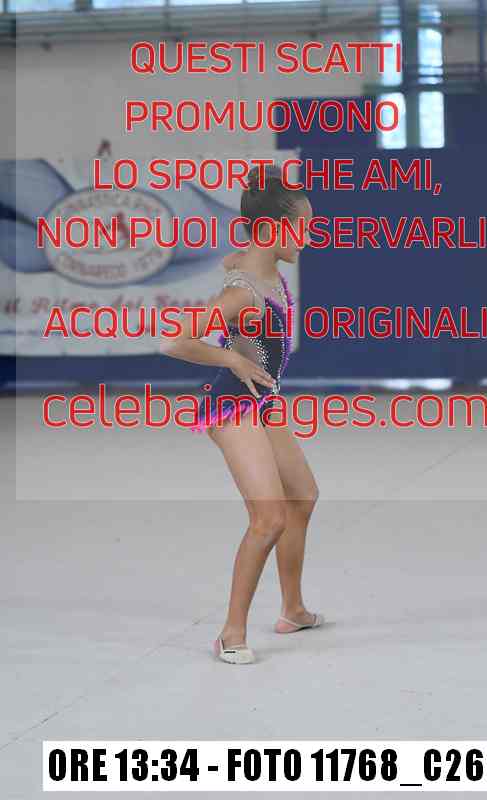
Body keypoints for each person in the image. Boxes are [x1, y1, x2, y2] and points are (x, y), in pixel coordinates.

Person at [160, 164, 323, 664]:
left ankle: (292, 609)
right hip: (232, 404)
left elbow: (235, 257)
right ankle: (231, 632)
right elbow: (175, 341)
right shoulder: (242, 292)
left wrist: (236, 260)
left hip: (262, 401)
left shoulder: (259, 266)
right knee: (268, 518)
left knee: (302, 495)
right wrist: (231, 358)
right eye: (302, 227)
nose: (309, 237)